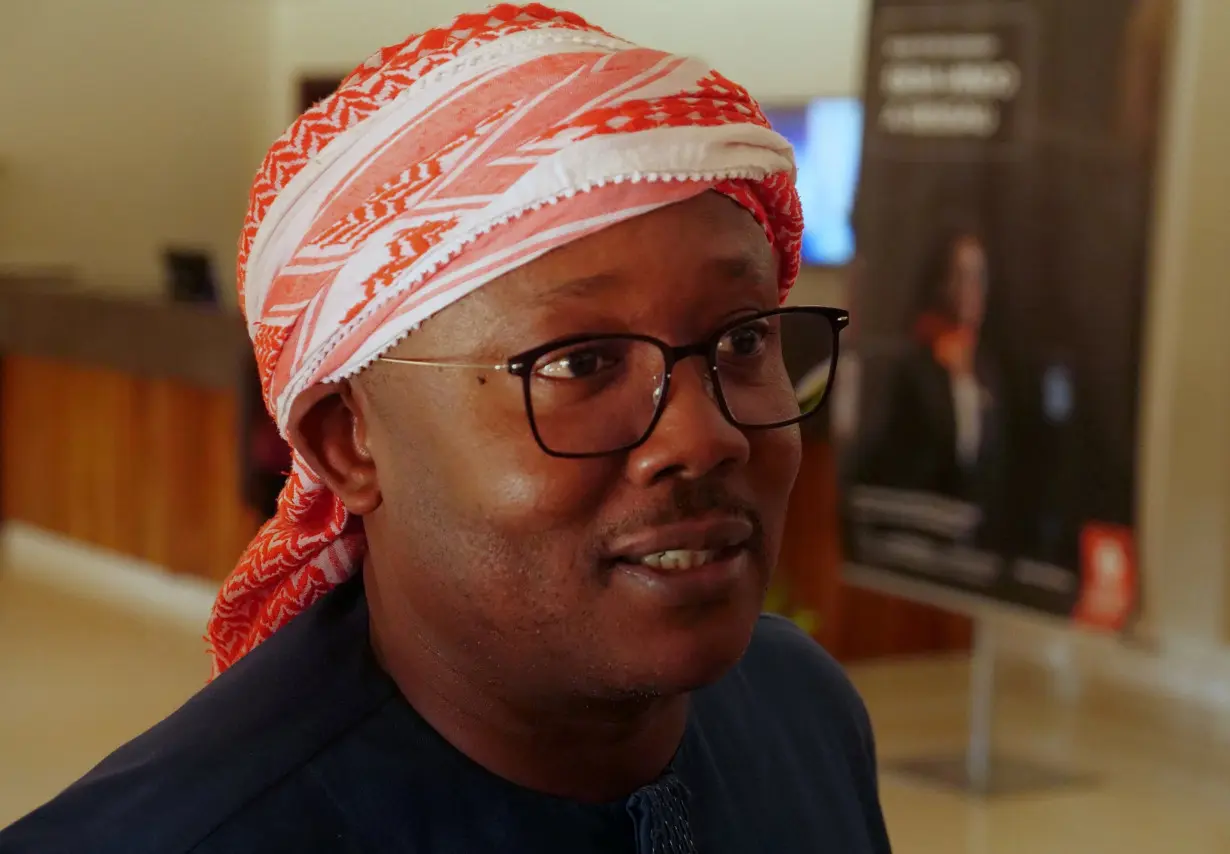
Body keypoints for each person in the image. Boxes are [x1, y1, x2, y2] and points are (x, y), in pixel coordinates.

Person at [0, 6, 891, 853]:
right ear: (349, 441)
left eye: (743, 339)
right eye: (581, 364)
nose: (705, 438)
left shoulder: (803, 710)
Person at [862, 226, 1005, 542]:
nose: (972, 288)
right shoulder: (914, 369)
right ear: (943, 284)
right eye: (962, 276)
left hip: (972, 537)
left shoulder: (985, 371)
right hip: (917, 531)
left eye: (979, 277)